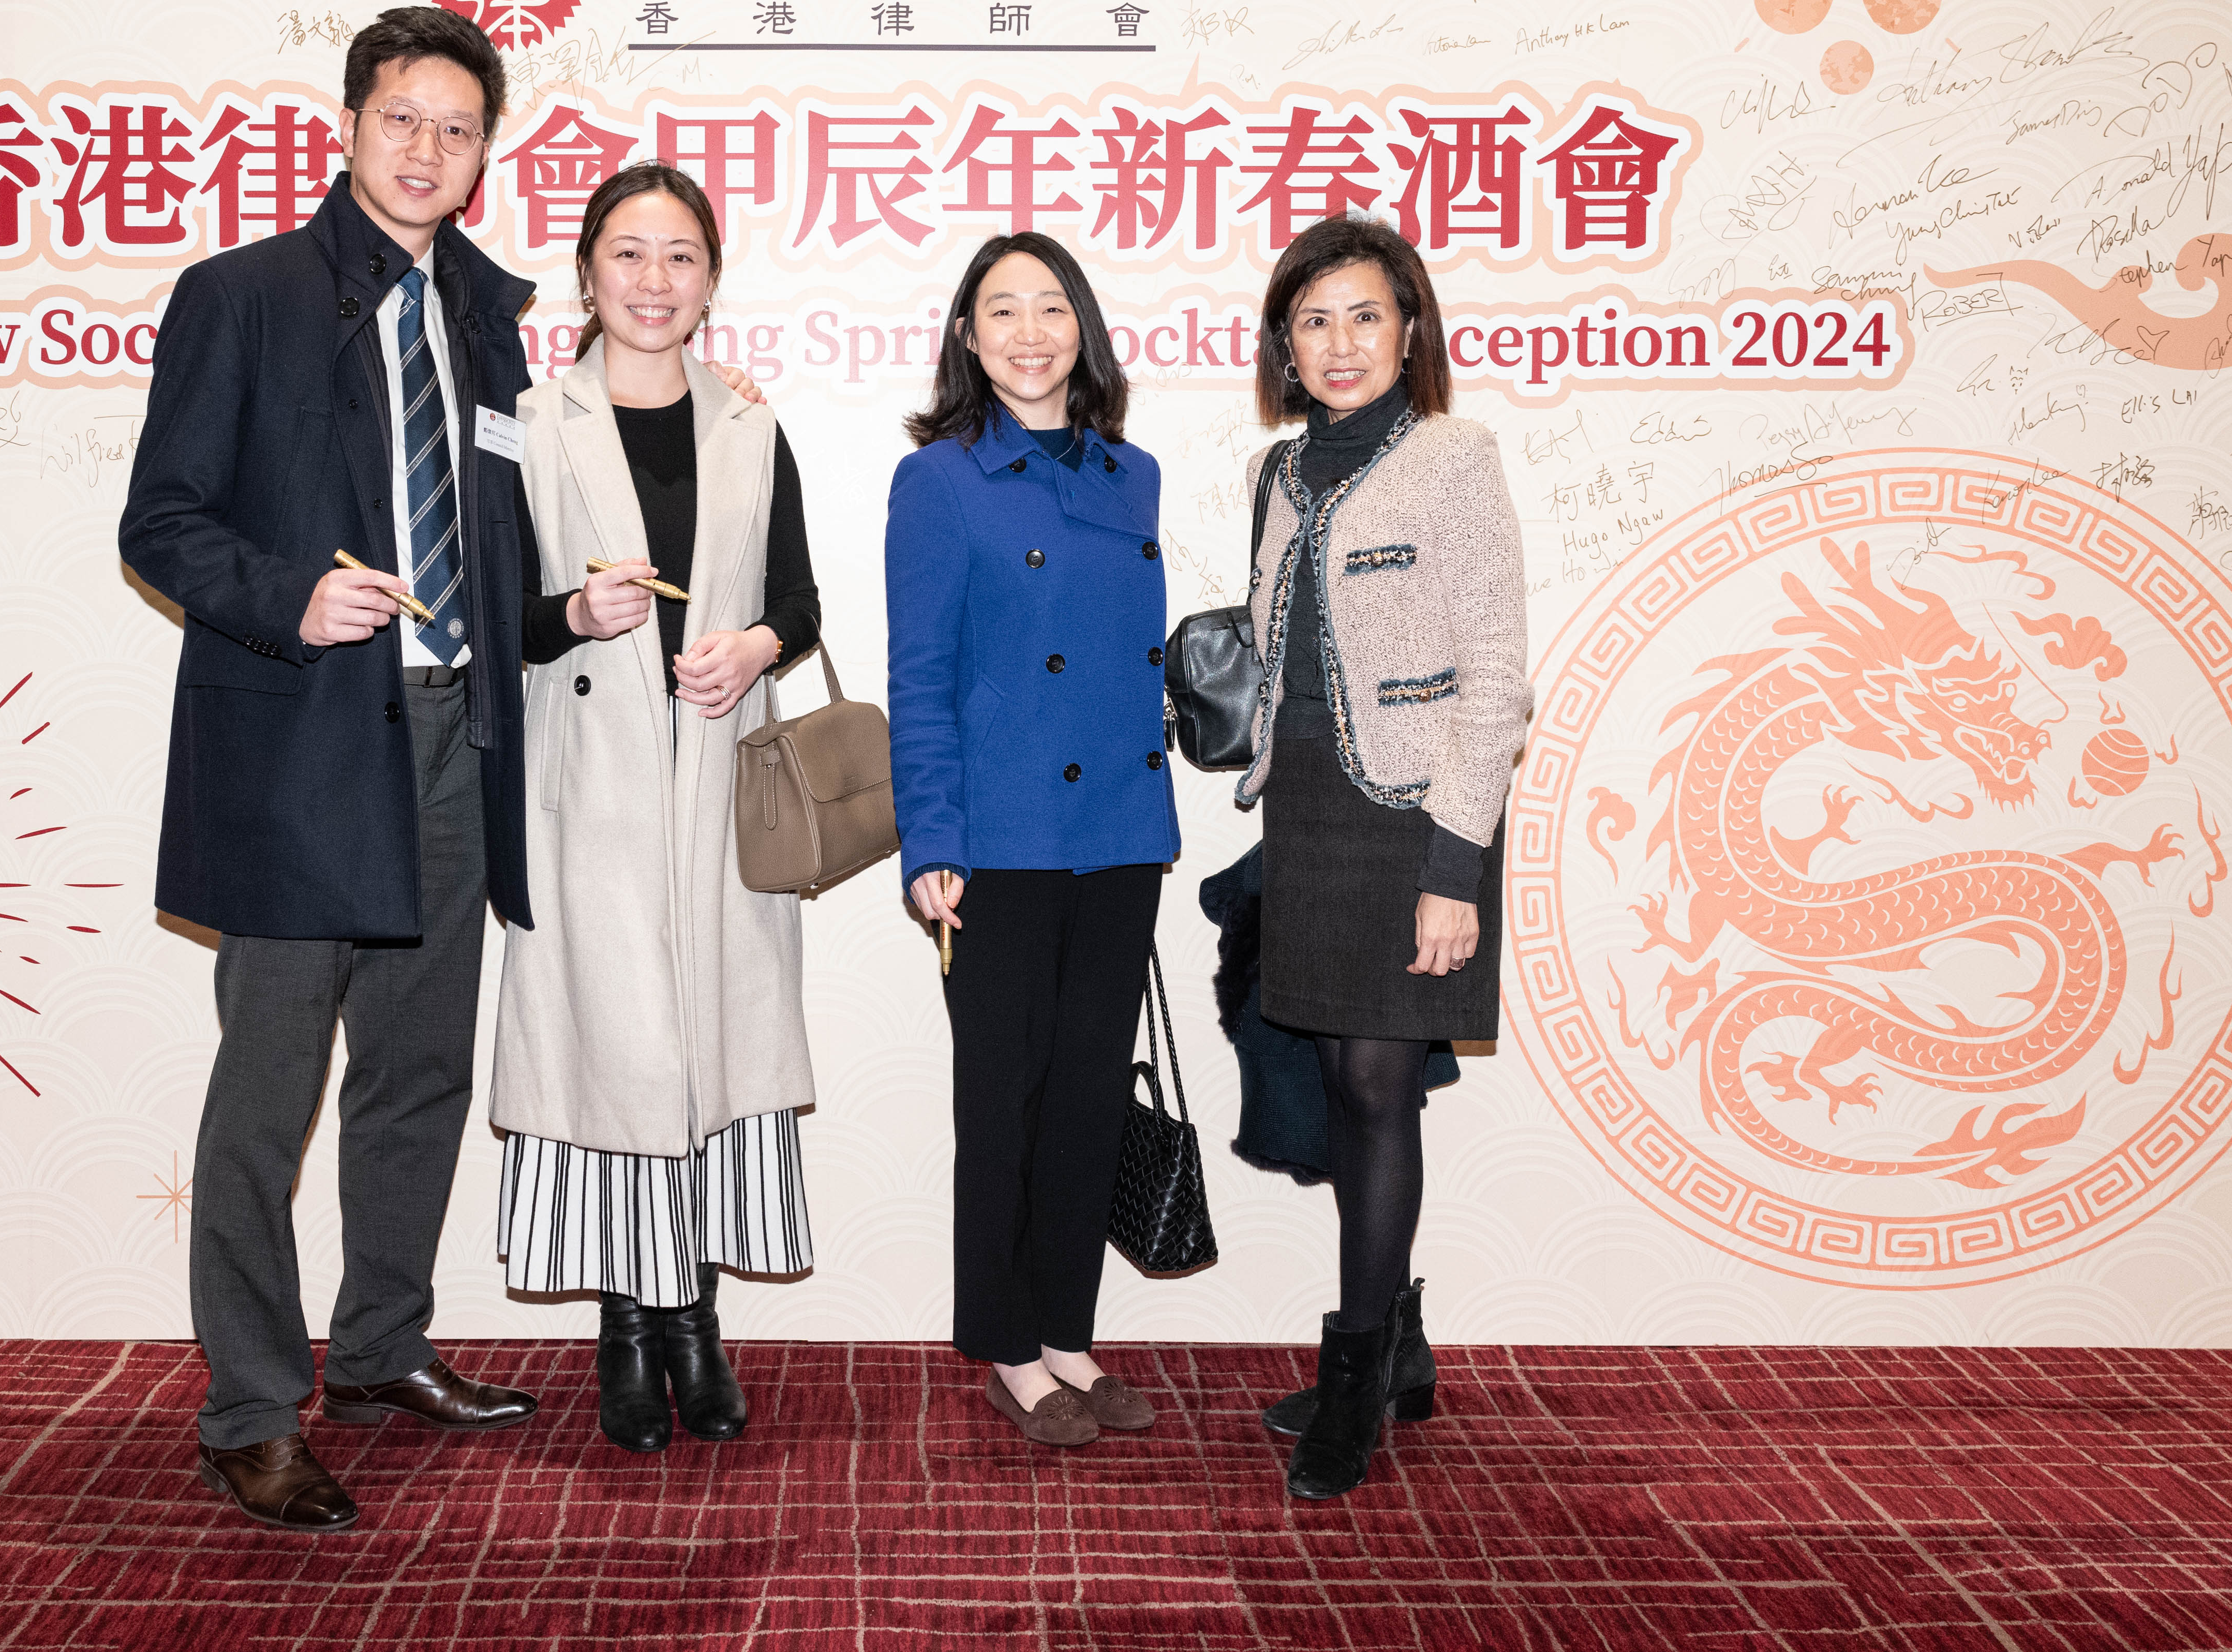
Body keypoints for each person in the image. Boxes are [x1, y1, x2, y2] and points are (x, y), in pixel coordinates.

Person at [117, 5, 544, 1535]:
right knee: (269, 1092)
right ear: (350, 125)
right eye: (402, 119)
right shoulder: (241, 297)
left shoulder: (490, 318)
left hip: (455, 740)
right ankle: (250, 1408)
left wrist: (569, 608)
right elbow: (161, 523)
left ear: (485, 155)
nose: (428, 149)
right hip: (302, 745)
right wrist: (289, 596)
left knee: (421, 1072)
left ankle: (377, 1350)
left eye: (458, 129)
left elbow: (493, 542)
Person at [491, 163, 823, 1455]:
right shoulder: (530, 423)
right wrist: (573, 613)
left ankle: (698, 1323)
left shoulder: (749, 424)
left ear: (711, 281)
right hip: (591, 790)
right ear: (587, 274)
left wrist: (755, 647)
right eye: (628, 253)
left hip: (719, 787)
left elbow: (800, 600)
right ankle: (630, 1332)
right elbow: (493, 617)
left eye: (681, 256)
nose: (653, 280)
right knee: (619, 1055)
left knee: (711, 1051)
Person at [1231, 216, 1528, 1502]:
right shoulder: (1277, 473)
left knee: (1374, 1083)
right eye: (1314, 321)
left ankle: (1355, 1375)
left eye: (1365, 315)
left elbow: (1497, 678)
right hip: (1304, 814)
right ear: (1284, 347)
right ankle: (1395, 1341)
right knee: (1347, 1089)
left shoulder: (1454, 457)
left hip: (1414, 819)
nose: (1340, 343)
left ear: (1410, 331)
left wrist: (1454, 869)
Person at [884, 231, 1180, 1449]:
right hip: (997, 841)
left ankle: (1068, 1334)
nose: (1028, 332)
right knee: (1002, 1103)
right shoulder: (940, 480)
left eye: (1050, 307)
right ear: (968, 335)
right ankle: (1009, 1346)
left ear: (1083, 328)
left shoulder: (1132, 473)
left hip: (1119, 832)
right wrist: (930, 841)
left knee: (1087, 1103)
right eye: (1000, 309)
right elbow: (921, 677)